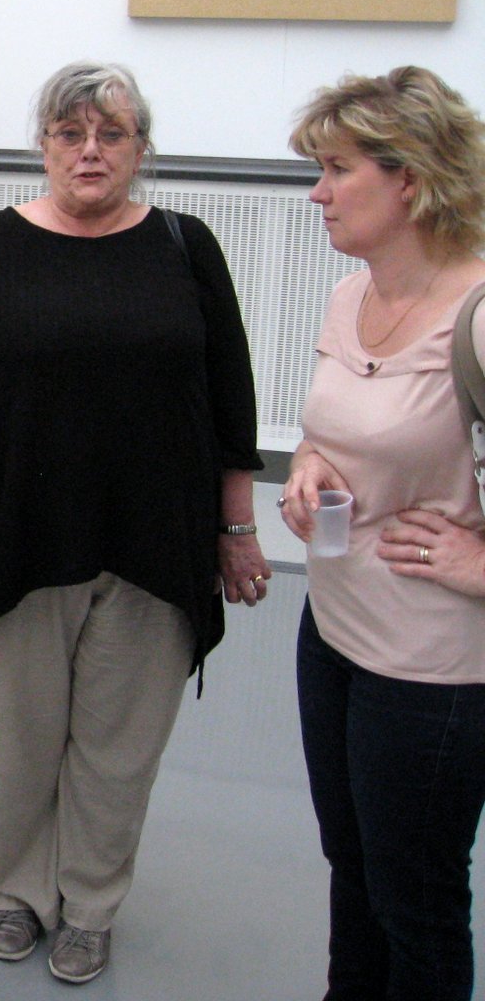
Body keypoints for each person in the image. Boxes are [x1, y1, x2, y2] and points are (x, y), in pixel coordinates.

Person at [0, 61, 267, 985]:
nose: (90, 151)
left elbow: (230, 398)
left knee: (118, 752)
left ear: (140, 149)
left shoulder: (184, 246)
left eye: (111, 134)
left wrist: (236, 529)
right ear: (43, 146)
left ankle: (90, 904)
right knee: (12, 745)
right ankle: (9, 889)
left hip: (154, 537)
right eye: (69, 133)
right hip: (13, 534)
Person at [280, 66, 485, 1001]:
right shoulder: (348, 296)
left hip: (434, 666)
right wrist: (309, 465)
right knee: (353, 867)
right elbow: (335, 429)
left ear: (411, 178)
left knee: (416, 901)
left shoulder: (475, 315)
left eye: (337, 170)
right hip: (335, 629)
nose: (317, 193)